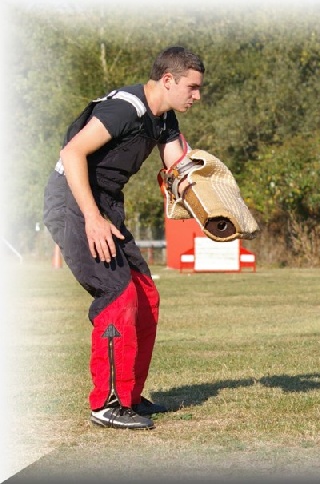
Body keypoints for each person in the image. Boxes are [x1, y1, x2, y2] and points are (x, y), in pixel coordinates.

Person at [43, 46, 205, 430]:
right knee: (117, 294)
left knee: (145, 293)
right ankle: (107, 403)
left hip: (105, 205)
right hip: (74, 202)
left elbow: (176, 163)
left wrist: (208, 193)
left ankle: (129, 396)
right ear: (169, 80)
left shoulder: (163, 118)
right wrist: (92, 218)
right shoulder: (125, 108)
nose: (197, 96)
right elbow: (71, 153)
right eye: (193, 87)